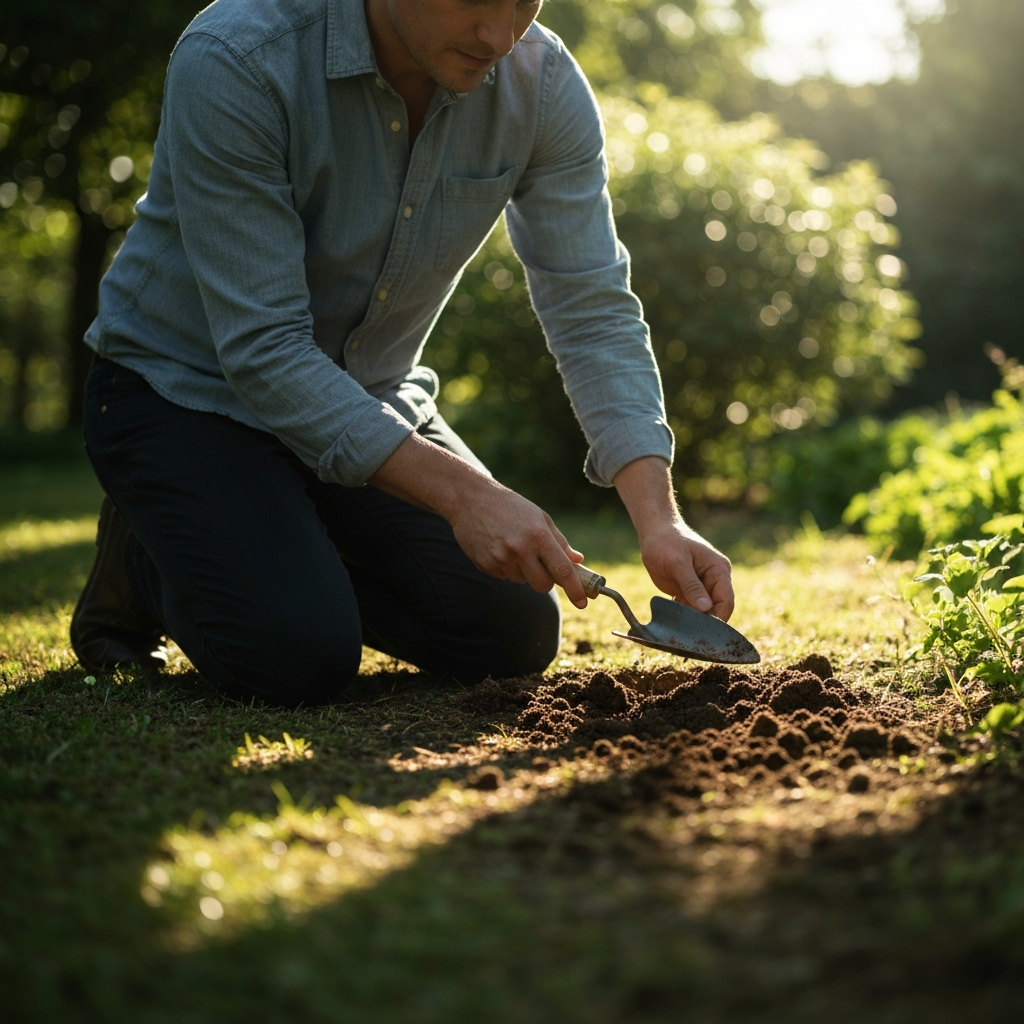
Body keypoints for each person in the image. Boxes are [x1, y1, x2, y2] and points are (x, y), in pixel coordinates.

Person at [71, 0, 735, 707]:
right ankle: (149, 544)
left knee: (508, 636)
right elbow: (264, 349)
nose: (501, 34)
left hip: (369, 396)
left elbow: (590, 305)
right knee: (296, 656)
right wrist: (465, 495)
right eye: (476, 0)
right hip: (184, 395)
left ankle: (271, 535)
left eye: (525, 1)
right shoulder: (238, 58)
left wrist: (658, 518)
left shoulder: (540, 84)